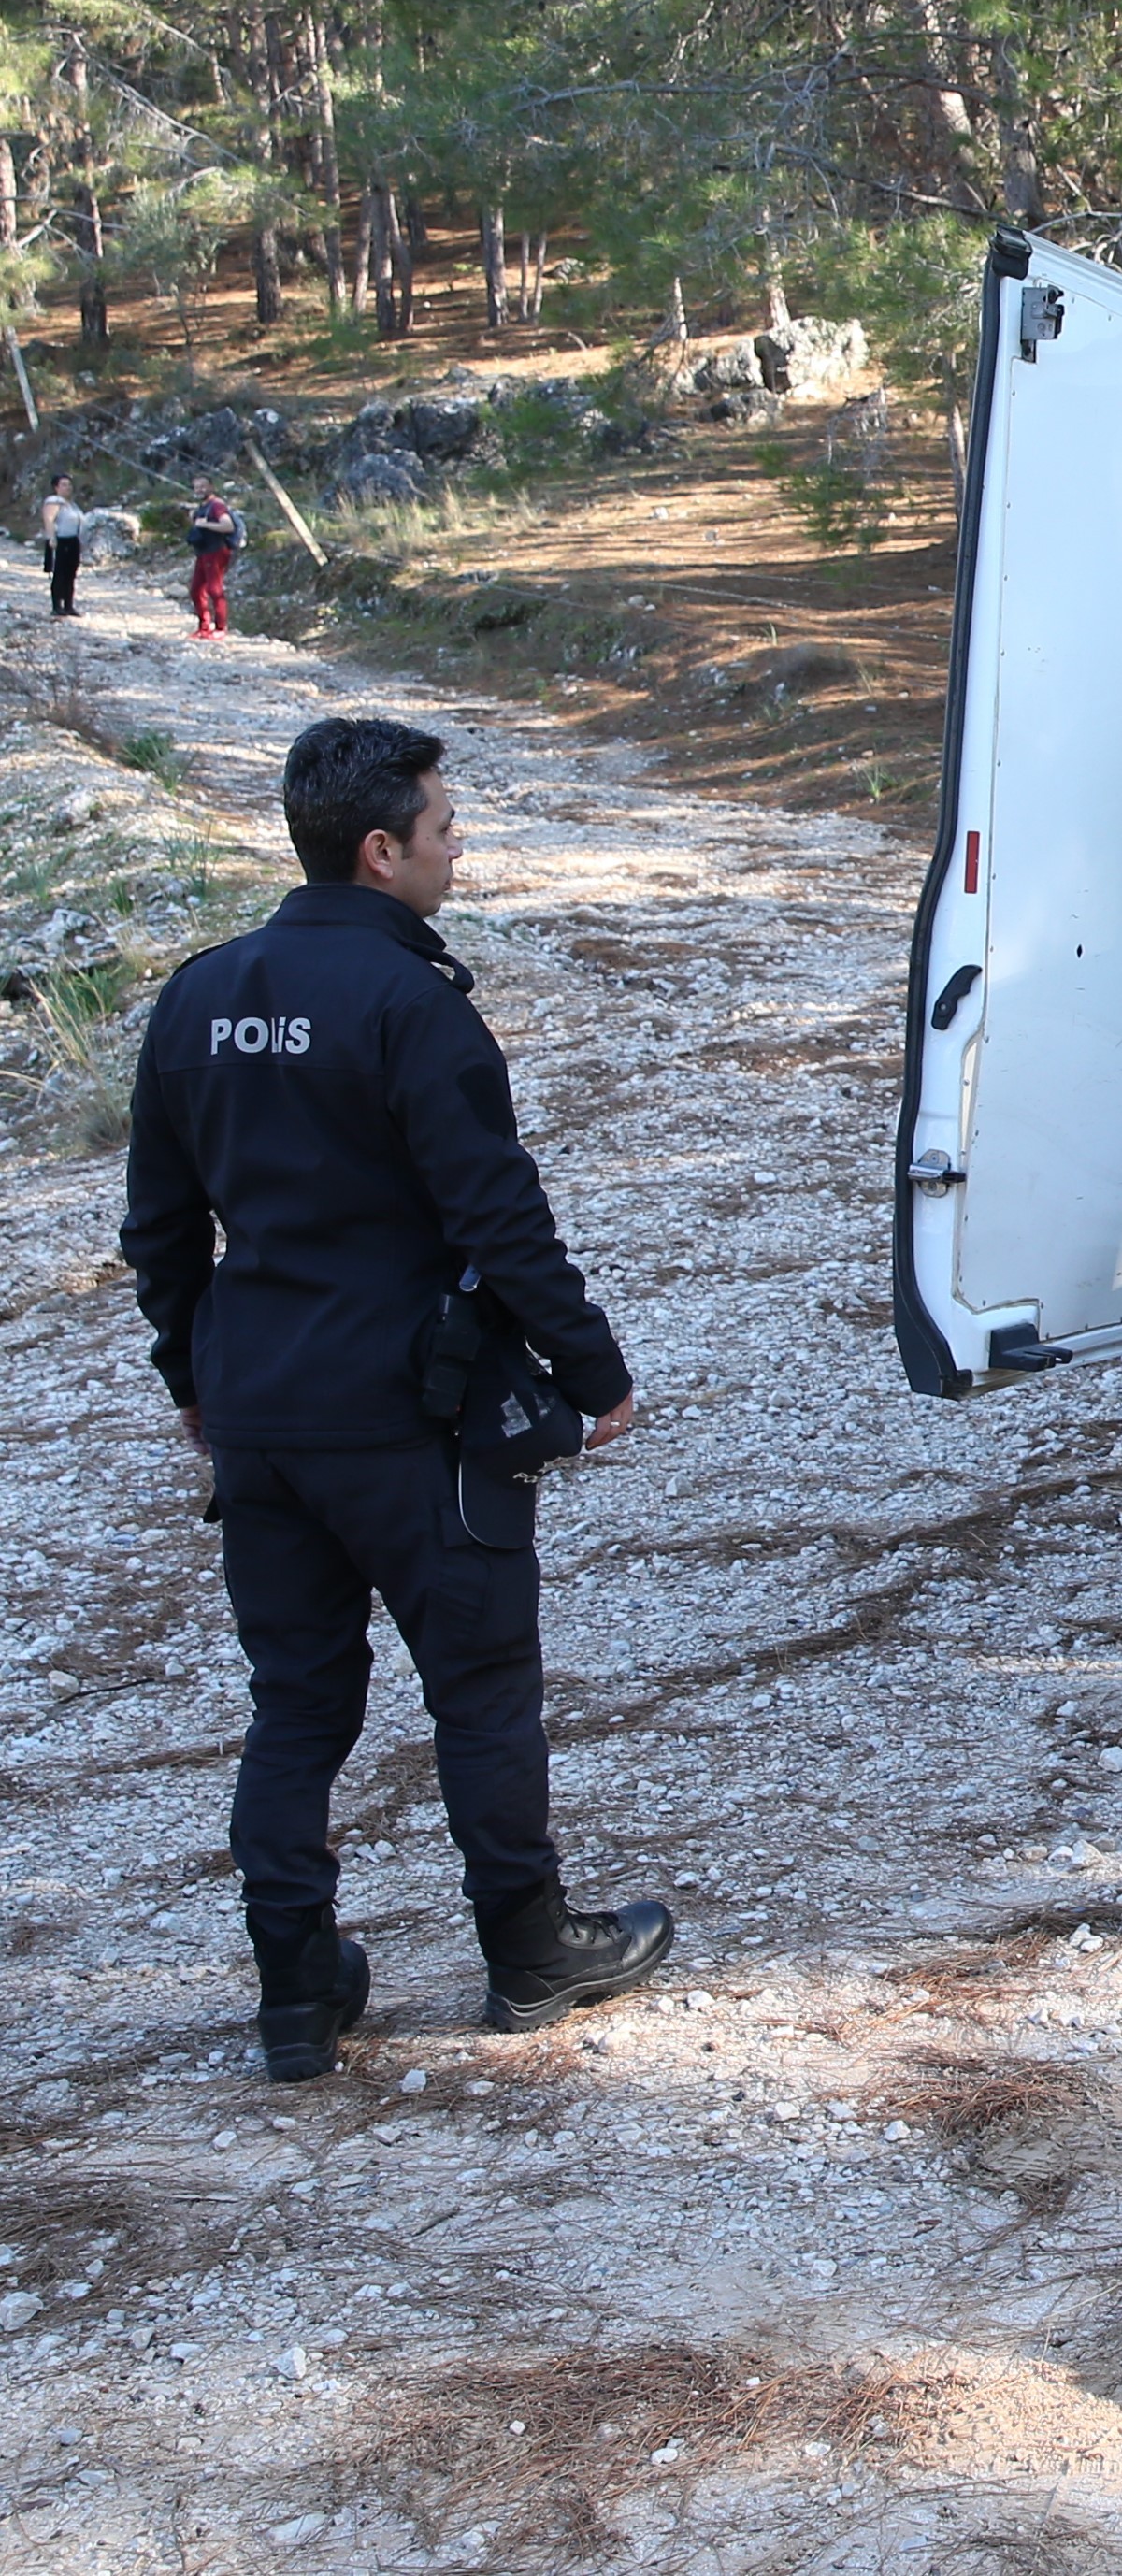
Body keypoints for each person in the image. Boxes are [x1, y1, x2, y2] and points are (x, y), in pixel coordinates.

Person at [120, 718, 676, 2080]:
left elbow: (158, 1227)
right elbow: (500, 1213)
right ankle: (531, 1954)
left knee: (296, 1706)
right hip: (411, 1419)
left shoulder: (198, 994)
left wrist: (195, 1378)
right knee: (481, 1690)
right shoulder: (411, 1006)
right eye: (442, 827)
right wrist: (593, 1371)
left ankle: (298, 1993)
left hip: (260, 1419)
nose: (458, 843)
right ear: (381, 851)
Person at [185, 487, 242, 637]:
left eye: (202, 486)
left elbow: (227, 526)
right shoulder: (202, 507)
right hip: (203, 552)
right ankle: (204, 626)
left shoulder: (217, 506)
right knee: (196, 590)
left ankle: (220, 628)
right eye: (196, 487)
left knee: (214, 589)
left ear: (211, 488)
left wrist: (204, 524)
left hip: (216, 551)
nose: (198, 490)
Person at [38, 485, 84, 619]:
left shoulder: (72, 505)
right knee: (59, 573)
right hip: (60, 540)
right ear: (56, 487)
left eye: (69, 485)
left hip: (73, 541)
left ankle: (68, 605)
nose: (68, 487)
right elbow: (49, 520)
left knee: (71, 574)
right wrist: (51, 538)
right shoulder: (53, 501)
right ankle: (57, 606)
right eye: (64, 485)